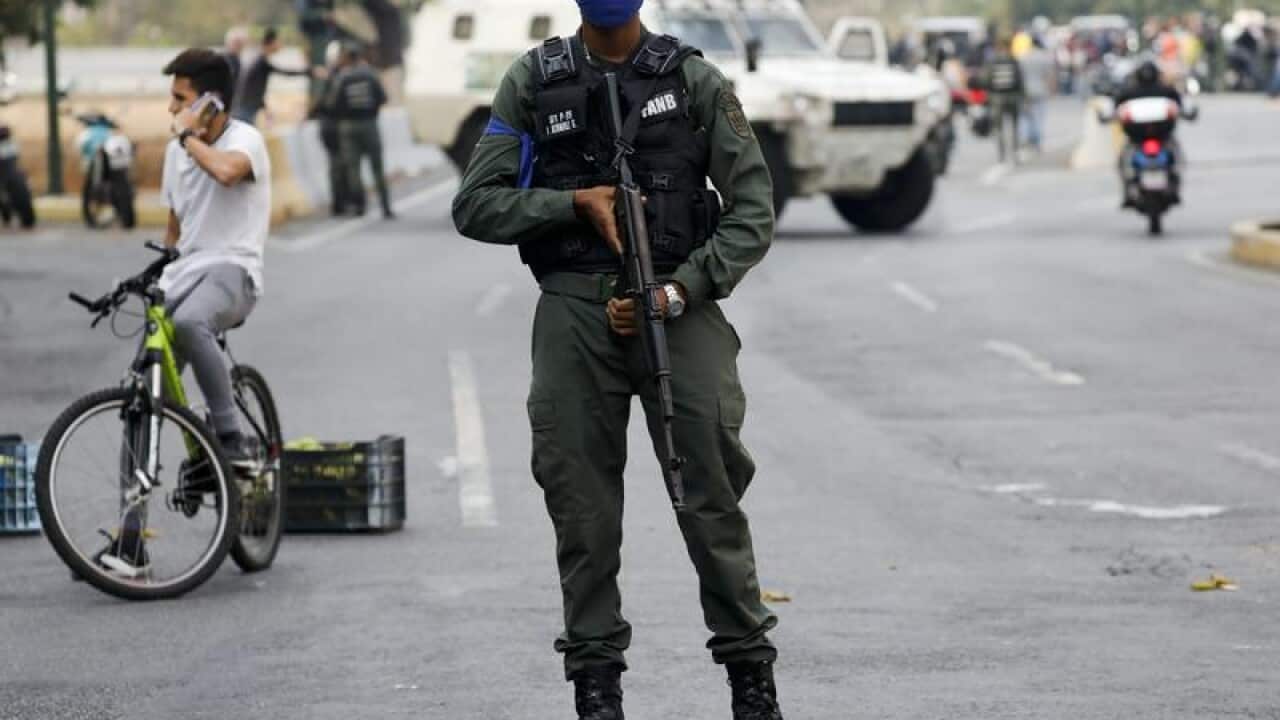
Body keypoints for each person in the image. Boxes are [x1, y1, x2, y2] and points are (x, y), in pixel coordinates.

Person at [452, 1, 783, 718]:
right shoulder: (534, 80)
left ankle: (750, 677)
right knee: (583, 512)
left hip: (678, 307)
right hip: (574, 309)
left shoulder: (693, 80)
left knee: (710, 495)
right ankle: (596, 686)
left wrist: (680, 288)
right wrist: (573, 205)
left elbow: (753, 206)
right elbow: (476, 204)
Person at [98, 48, 272, 577]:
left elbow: (224, 173)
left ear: (212, 103)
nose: (170, 107)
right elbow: (177, 230)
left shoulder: (245, 141)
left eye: (180, 98)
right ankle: (131, 539)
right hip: (186, 272)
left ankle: (231, 438)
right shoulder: (180, 152)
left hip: (233, 273)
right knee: (141, 391)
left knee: (190, 323)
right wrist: (150, 273)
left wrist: (187, 137)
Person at [326, 44, 392, 218]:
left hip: (348, 127)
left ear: (347, 59)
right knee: (377, 167)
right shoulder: (370, 75)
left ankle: (360, 206)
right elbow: (383, 98)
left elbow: (333, 104)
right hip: (369, 124)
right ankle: (385, 207)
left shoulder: (342, 77)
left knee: (353, 169)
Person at [232, 27, 315, 126]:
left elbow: (254, 88)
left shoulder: (258, 59)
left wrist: (265, 108)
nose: (280, 45)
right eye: (278, 42)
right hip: (245, 110)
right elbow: (285, 72)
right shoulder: (260, 62)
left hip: (245, 108)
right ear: (271, 43)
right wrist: (310, 72)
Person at [310, 41, 351, 216]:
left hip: (329, 125)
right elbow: (325, 103)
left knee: (338, 164)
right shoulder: (336, 77)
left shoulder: (330, 76)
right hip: (334, 126)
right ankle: (340, 202)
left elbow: (317, 103)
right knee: (339, 164)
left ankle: (341, 202)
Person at [982, 35, 1025, 163]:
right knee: (1014, 127)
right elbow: (1020, 80)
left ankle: (1002, 154)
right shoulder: (1014, 60)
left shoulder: (992, 61)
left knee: (999, 128)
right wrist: (1022, 96)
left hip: (997, 98)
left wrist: (987, 95)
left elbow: (986, 80)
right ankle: (1015, 153)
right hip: (1013, 97)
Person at [1018, 35, 1054, 153]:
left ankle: (1025, 138)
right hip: (1040, 90)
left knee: (1026, 116)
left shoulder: (1022, 57)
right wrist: (1052, 90)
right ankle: (1037, 141)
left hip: (1025, 90)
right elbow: (1049, 76)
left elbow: (1020, 76)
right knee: (1038, 116)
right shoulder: (1044, 57)